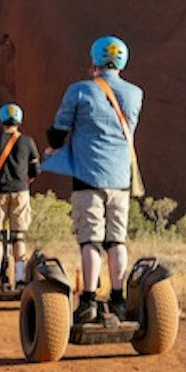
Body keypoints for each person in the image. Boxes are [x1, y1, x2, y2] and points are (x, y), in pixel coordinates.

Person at [43, 36, 143, 329]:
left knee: (91, 240)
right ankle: (118, 300)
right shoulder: (136, 93)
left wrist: (53, 146)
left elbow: (58, 133)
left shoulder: (80, 90)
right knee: (116, 240)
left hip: (88, 176)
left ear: (95, 59)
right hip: (121, 178)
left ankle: (87, 301)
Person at [0, 104, 41, 288]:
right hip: (20, 191)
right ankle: (20, 279)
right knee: (18, 236)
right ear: (19, 120)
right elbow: (36, 170)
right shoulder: (27, 141)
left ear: (1, 119)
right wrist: (25, 182)